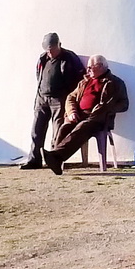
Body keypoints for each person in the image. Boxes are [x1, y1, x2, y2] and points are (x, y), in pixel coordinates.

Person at [42, 54, 129, 175]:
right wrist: (72, 112)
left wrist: (106, 108)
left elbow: (124, 104)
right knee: (64, 127)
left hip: (98, 119)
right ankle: (56, 160)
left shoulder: (115, 82)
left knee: (82, 127)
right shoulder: (84, 82)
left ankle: (56, 157)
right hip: (79, 116)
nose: (87, 70)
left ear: (100, 66)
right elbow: (71, 97)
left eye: (90, 67)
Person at [20, 33, 84, 170]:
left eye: (52, 48)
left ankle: (54, 160)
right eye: (47, 49)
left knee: (58, 130)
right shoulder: (43, 58)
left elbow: (80, 77)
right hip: (42, 98)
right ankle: (34, 160)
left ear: (59, 45)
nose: (50, 52)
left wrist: (70, 97)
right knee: (36, 130)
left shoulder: (69, 57)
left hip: (59, 99)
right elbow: (39, 76)